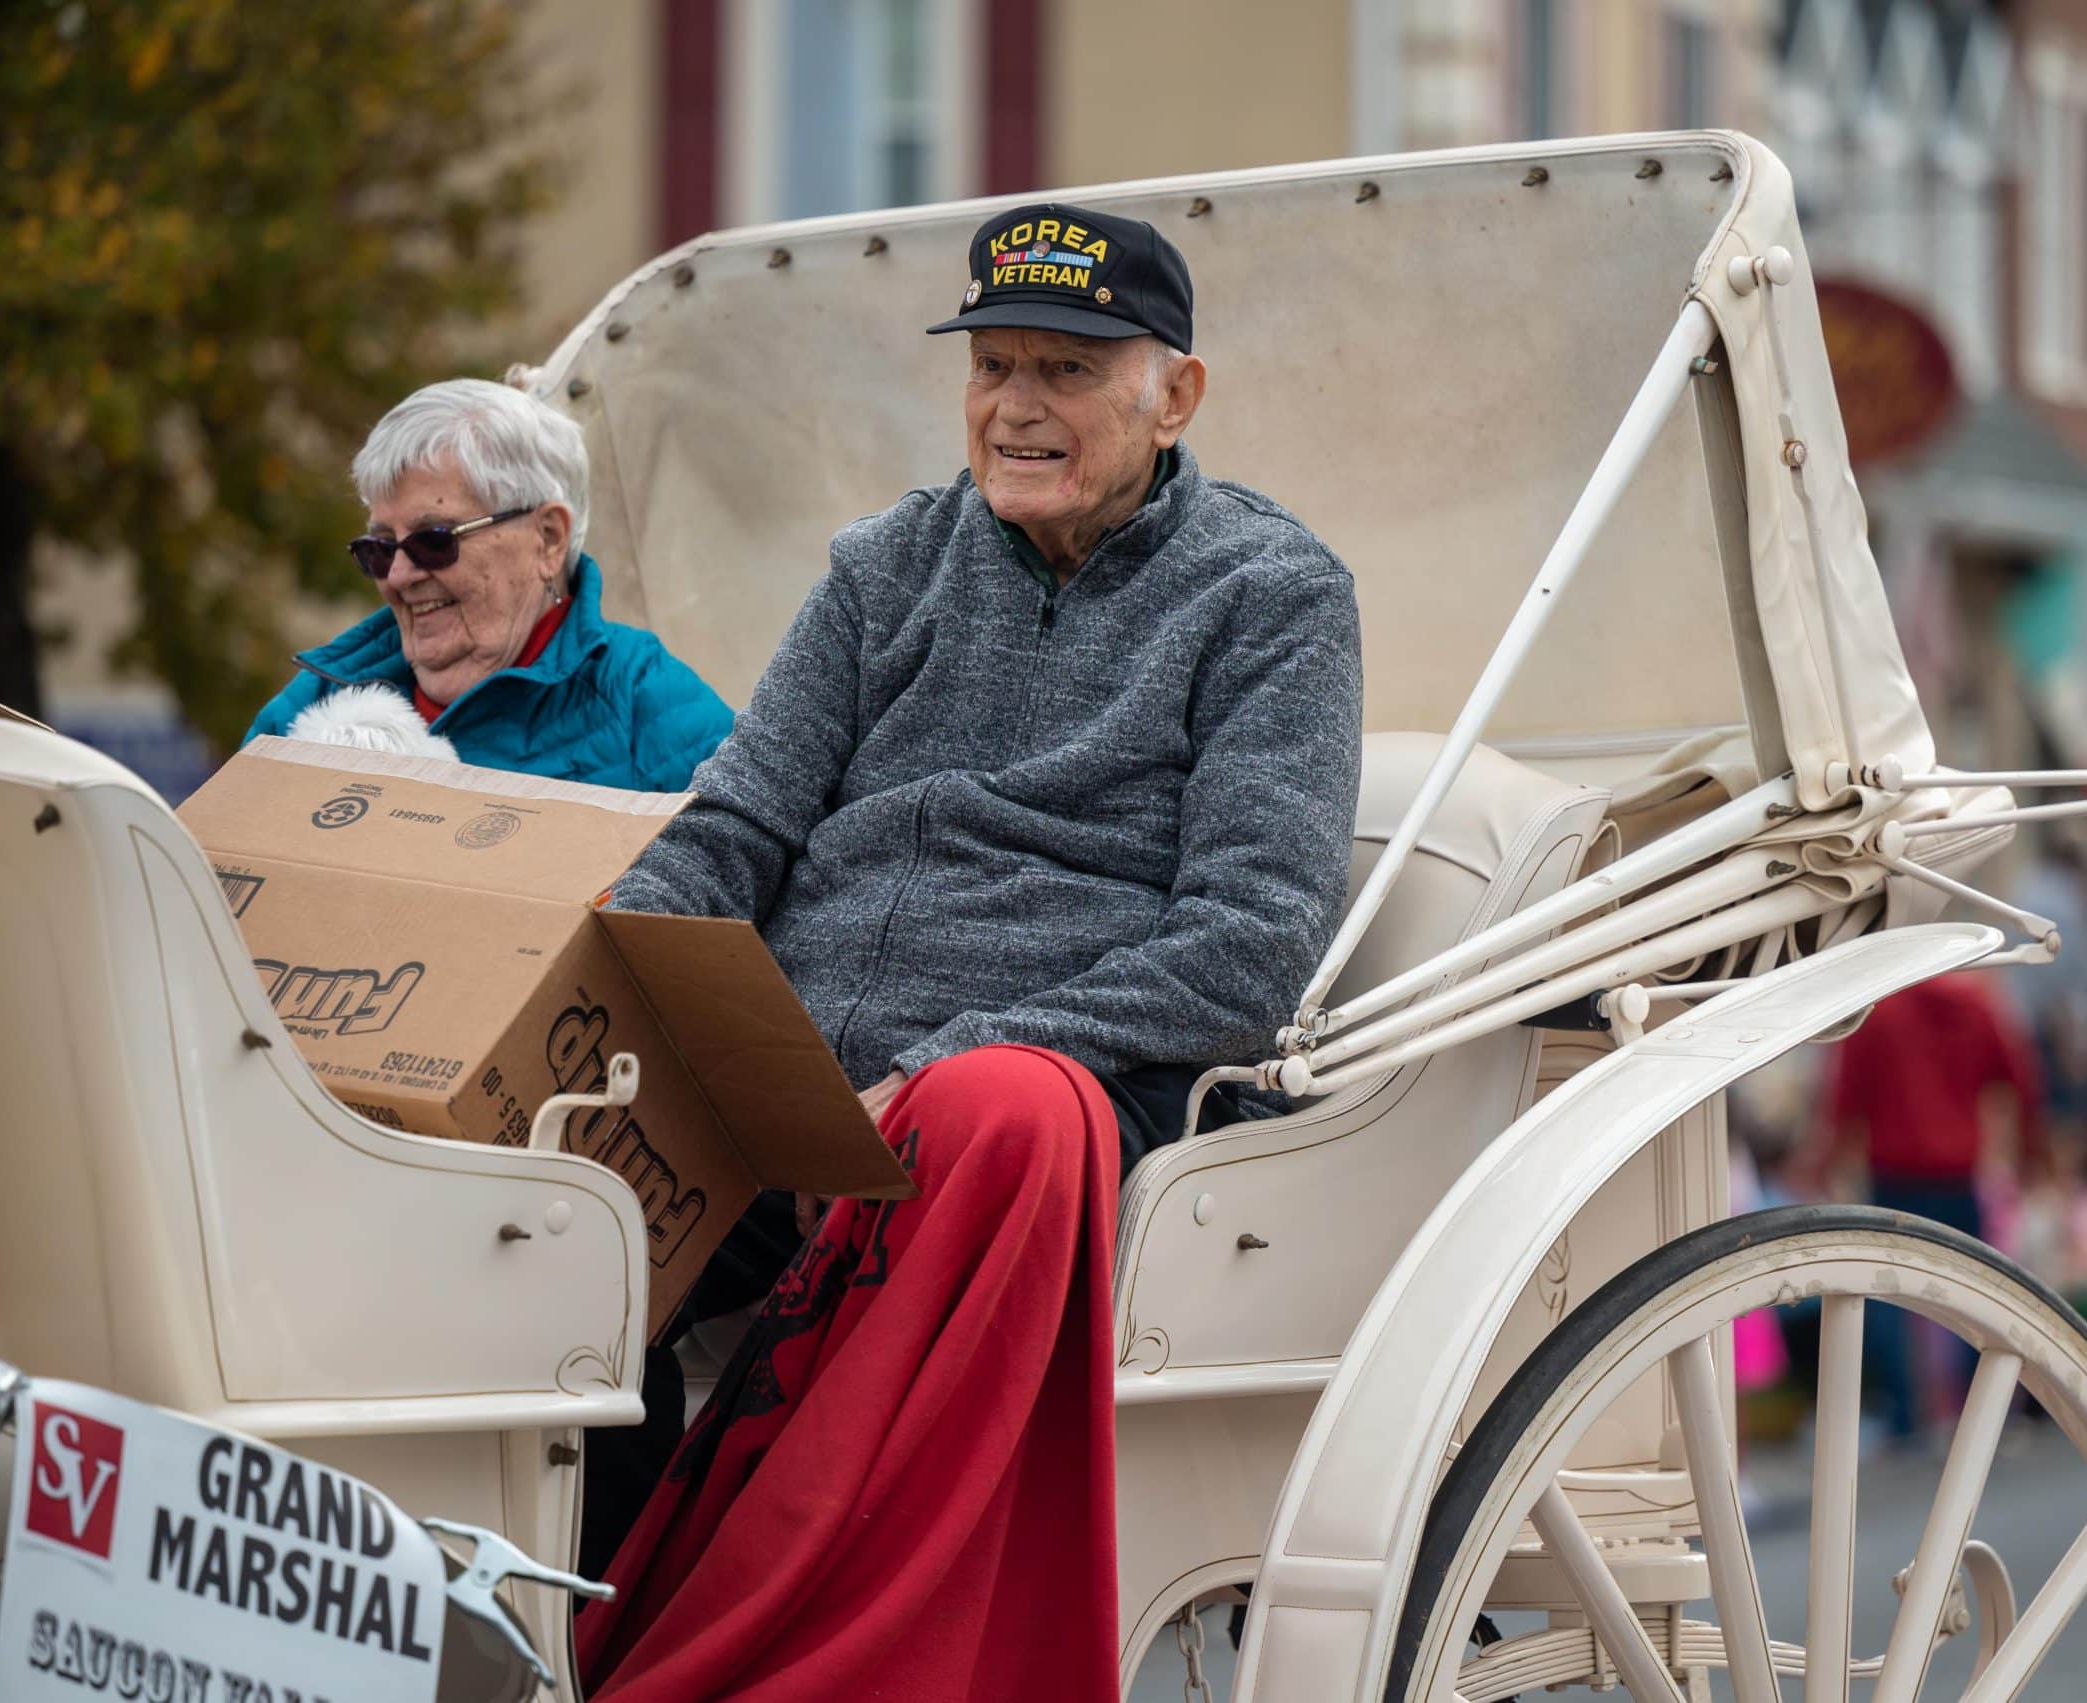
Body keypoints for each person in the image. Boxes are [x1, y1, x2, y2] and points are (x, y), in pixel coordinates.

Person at [576, 202, 1362, 1703]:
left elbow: (1250, 943)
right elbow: (727, 831)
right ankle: (548, 1622)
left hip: (1063, 1090)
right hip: (796, 1087)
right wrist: (620, 992)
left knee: (995, 1111)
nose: (1015, 407)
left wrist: (930, 1068)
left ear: (1172, 393)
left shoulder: (1275, 597)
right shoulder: (886, 563)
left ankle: (753, 1654)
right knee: (558, 1191)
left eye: (1066, 370)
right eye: (993, 364)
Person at [245, 379, 733, 790]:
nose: (398, 575)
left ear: (547, 540)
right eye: (379, 548)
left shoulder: (649, 706)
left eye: (433, 540)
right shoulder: (316, 702)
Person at [1819, 971, 2041, 1440]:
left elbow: (1846, 1094)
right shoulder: (1979, 1005)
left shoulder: (1881, 1011)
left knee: (1891, 1298)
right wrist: (2028, 1150)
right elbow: (2019, 1077)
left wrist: (1832, 1158)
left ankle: (1905, 1415)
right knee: (1975, 1297)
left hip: (1895, 1172)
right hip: (1960, 1171)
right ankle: (1981, 1411)